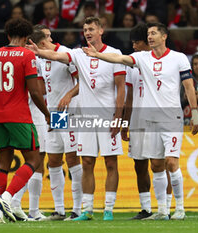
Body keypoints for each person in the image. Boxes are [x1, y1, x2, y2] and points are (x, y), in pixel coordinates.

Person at [83, 22, 198, 220]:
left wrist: (194, 114)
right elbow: (119, 58)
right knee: (156, 165)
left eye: (154, 33)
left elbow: (189, 87)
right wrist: (98, 55)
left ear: (164, 36)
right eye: (148, 34)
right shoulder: (141, 58)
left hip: (172, 117)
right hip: (149, 119)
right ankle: (162, 210)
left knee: (171, 162)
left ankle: (180, 208)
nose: (150, 36)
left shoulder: (178, 58)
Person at [27, 17, 126, 221]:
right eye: (85, 29)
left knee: (102, 162)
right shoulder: (78, 53)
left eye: (91, 29)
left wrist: (119, 115)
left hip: (80, 114)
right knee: (60, 160)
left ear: (101, 30)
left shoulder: (114, 53)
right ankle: (68, 210)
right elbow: (56, 57)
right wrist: (38, 53)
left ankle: (98, 209)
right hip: (62, 115)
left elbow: (120, 87)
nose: (87, 32)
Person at [0, 18, 50, 223]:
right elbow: (35, 92)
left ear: (8, 35)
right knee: (34, 159)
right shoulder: (27, 55)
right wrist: (47, 114)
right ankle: (7, 198)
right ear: (27, 36)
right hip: (19, 116)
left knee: (3, 163)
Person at [28, 26, 83, 221]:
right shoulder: (42, 59)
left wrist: (68, 95)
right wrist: (46, 111)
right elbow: (45, 88)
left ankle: (78, 209)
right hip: (54, 115)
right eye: (49, 37)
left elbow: (82, 82)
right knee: (53, 161)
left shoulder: (66, 53)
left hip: (70, 112)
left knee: (73, 159)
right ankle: (59, 210)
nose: (52, 39)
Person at [121, 23, 173, 220]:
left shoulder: (164, 63)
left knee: (159, 163)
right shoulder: (132, 64)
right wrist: (126, 123)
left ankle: (165, 208)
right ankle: (145, 208)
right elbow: (130, 97)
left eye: (137, 42)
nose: (134, 46)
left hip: (158, 118)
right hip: (137, 120)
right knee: (139, 164)